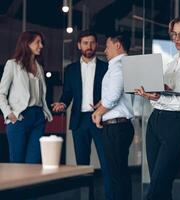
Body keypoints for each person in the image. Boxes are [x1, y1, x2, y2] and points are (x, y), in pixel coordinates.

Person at [135, 15, 180, 200]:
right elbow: (165, 94)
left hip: (177, 124)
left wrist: (160, 96)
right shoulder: (174, 61)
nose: (176, 39)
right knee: (160, 186)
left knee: (157, 187)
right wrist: (154, 93)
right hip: (156, 121)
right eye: (174, 34)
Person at [51, 30, 112, 200]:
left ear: (96, 45)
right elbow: (67, 94)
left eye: (92, 43)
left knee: (106, 162)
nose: (89, 46)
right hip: (79, 121)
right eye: (85, 43)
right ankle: (86, 198)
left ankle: (110, 197)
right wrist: (62, 103)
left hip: (100, 118)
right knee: (82, 166)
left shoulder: (105, 68)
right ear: (79, 46)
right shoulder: (70, 69)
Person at [92, 32, 134, 200]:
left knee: (116, 175)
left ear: (117, 45)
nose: (105, 50)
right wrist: (101, 105)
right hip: (120, 126)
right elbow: (114, 95)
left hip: (116, 127)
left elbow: (114, 96)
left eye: (107, 46)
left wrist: (98, 113)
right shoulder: (123, 66)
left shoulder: (118, 66)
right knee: (120, 173)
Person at [0, 30, 53, 163]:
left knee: (34, 163)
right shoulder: (12, 64)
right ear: (27, 44)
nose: (41, 46)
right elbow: (1, 93)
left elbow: (41, 95)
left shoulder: (39, 67)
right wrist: (9, 114)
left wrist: (44, 114)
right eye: (37, 42)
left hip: (38, 117)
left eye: (41, 43)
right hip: (20, 116)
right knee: (17, 162)